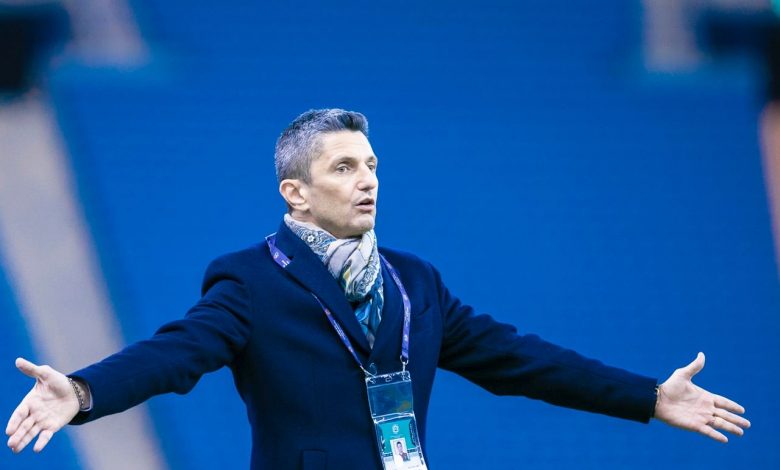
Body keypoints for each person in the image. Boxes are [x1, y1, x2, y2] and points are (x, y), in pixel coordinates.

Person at [5, 109, 751, 469]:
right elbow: (176, 353)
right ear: (295, 194)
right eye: (344, 168)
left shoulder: (414, 280)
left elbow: (521, 360)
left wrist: (647, 397)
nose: (367, 180)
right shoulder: (250, 280)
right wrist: (83, 391)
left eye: (371, 166)